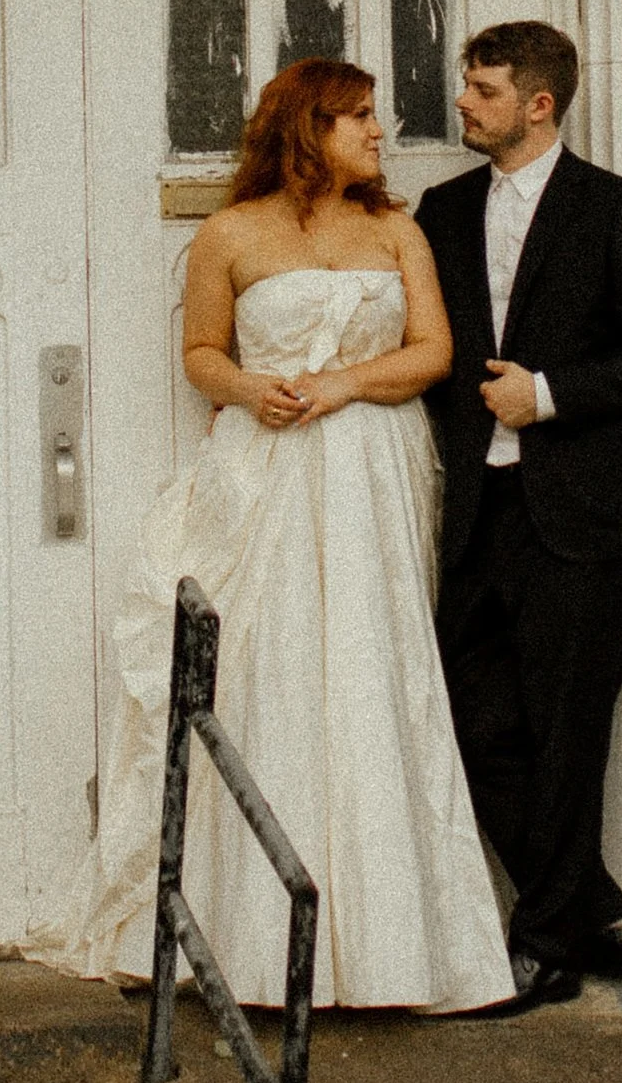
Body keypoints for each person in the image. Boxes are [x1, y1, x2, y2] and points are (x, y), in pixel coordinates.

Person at [55, 57, 510, 1012]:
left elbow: (434, 352)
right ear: (308, 130)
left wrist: (344, 386)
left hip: (372, 465)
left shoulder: (396, 229)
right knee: (265, 669)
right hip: (265, 469)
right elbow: (200, 354)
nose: (379, 133)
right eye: (358, 119)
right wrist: (249, 389)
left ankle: (392, 951)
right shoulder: (229, 234)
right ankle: (246, 943)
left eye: (375, 118)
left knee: (374, 672)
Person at [417, 20, 622, 1015]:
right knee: (471, 719)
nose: (463, 105)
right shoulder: (441, 211)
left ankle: (543, 946)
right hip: (478, 519)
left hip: (580, 517)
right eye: (467, 87)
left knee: (569, 731)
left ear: (539, 103)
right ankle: (587, 905)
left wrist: (550, 394)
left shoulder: (615, 210)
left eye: (483, 91)